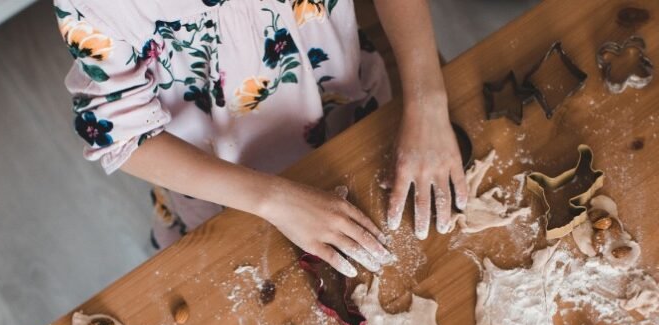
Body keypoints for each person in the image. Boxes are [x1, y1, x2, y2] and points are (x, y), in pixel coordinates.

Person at [55, 0, 466, 276]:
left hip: (347, 116)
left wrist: (427, 101)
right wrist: (275, 200)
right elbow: (123, 136)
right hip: (222, 188)